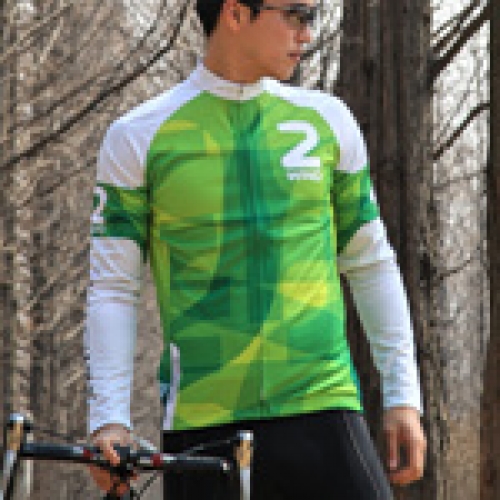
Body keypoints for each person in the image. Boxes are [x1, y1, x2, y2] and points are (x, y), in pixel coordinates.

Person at [86, 0, 427, 498]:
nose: (307, 33)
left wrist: (403, 397)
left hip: (324, 407)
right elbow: (114, 288)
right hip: (204, 420)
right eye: (297, 14)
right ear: (235, 13)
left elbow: (371, 263)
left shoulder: (328, 121)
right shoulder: (137, 136)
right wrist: (109, 419)